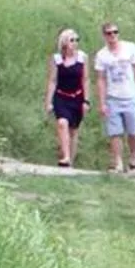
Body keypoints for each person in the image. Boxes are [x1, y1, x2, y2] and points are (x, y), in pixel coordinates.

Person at [92, 21, 135, 174]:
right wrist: (102, 103)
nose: (113, 35)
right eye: (109, 33)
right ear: (104, 36)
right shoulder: (102, 55)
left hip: (130, 96)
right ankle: (118, 162)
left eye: (115, 32)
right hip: (113, 97)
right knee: (115, 132)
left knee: (133, 131)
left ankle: (134, 156)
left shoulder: (129, 48)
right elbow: (100, 79)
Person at [45, 28, 87, 167]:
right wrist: (48, 101)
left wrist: (86, 100)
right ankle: (66, 156)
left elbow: (85, 79)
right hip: (61, 96)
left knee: (73, 130)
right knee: (62, 123)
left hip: (77, 97)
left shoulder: (82, 57)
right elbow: (52, 80)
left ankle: (70, 161)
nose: (75, 43)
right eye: (72, 40)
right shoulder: (57, 59)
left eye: (77, 40)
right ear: (64, 43)